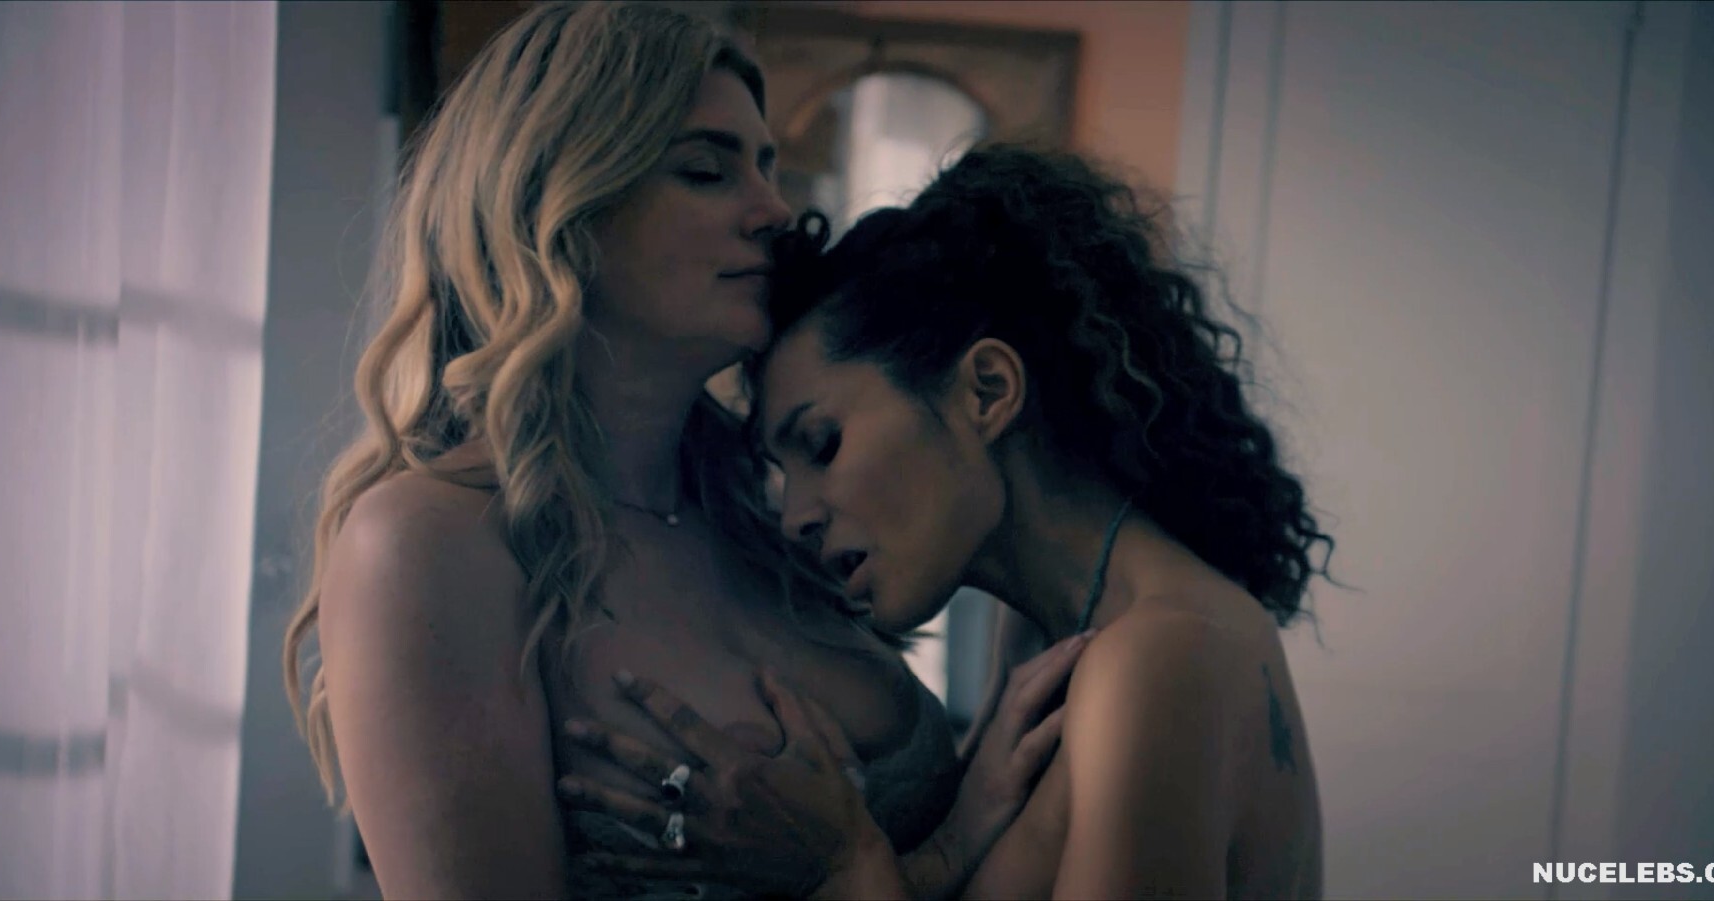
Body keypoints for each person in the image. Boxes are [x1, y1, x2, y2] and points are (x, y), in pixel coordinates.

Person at [280, 4, 1074, 898]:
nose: (774, 210)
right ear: (557, 208)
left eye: (767, 166)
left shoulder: (770, 514)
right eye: (706, 170)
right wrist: (875, 867)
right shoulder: (432, 543)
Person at [555, 145, 1334, 899]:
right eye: (781, 471)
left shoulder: (1157, 657)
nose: (795, 517)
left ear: (987, 390)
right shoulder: (1051, 636)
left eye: (822, 444)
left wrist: (843, 866)